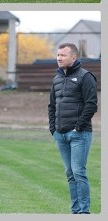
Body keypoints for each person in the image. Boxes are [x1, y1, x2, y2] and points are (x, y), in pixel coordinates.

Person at [48, 43, 97, 214]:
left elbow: (91, 105)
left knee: (79, 173)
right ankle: (75, 211)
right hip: (60, 134)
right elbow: (52, 105)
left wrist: (78, 127)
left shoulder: (86, 77)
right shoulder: (57, 78)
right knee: (70, 174)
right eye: (58, 55)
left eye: (63, 55)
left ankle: (84, 212)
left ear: (73, 57)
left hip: (79, 134)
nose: (59, 58)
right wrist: (53, 128)